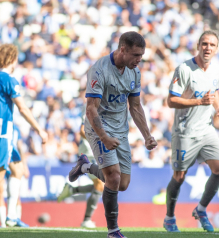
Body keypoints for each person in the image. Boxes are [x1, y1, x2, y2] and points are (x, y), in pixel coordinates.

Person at [68, 31, 157, 238]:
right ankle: (113, 231)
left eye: (141, 56)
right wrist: (104, 137)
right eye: (135, 55)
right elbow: (91, 109)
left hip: (120, 131)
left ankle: (85, 166)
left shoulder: (134, 72)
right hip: (98, 127)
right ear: (122, 49)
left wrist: (147, 135)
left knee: (122, 184)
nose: (139, 60)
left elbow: (135, 106)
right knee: (114, 177)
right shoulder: (99, 70)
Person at [0, 44, 48, 228]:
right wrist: (39, 128)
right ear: (12, 60)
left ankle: (12, 216)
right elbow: (22, 108)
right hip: (2, 131)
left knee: (17, 171)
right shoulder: (9, 80)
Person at [163, 30, 219, 233]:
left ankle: (201, 209)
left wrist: (218, 108)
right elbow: (170, 100)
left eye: (212, 45)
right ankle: (169, 218)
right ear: (198, 45)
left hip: (206, 129)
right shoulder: (184, 69)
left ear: (217, 49)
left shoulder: (217, 70)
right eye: (205, 44)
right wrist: (198, 102)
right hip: (185, 132)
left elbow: (214, 91)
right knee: (179, 177)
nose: (208, 48)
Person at [57, 104, 104, 228]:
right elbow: (82, 131)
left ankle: (71, 190)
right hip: (89, 153)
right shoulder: (91, 110)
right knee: (100, 185)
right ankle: (86, 220)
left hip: (98, 153)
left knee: (101, 186)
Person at [0, 125, 28, 227]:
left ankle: (15, 219)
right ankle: (3, 224)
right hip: (2, 158)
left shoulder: (15, 128)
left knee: (16, 193)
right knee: (0, 191)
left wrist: (24, 165)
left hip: (13, 159)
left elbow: (20, 147)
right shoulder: (1, 124)